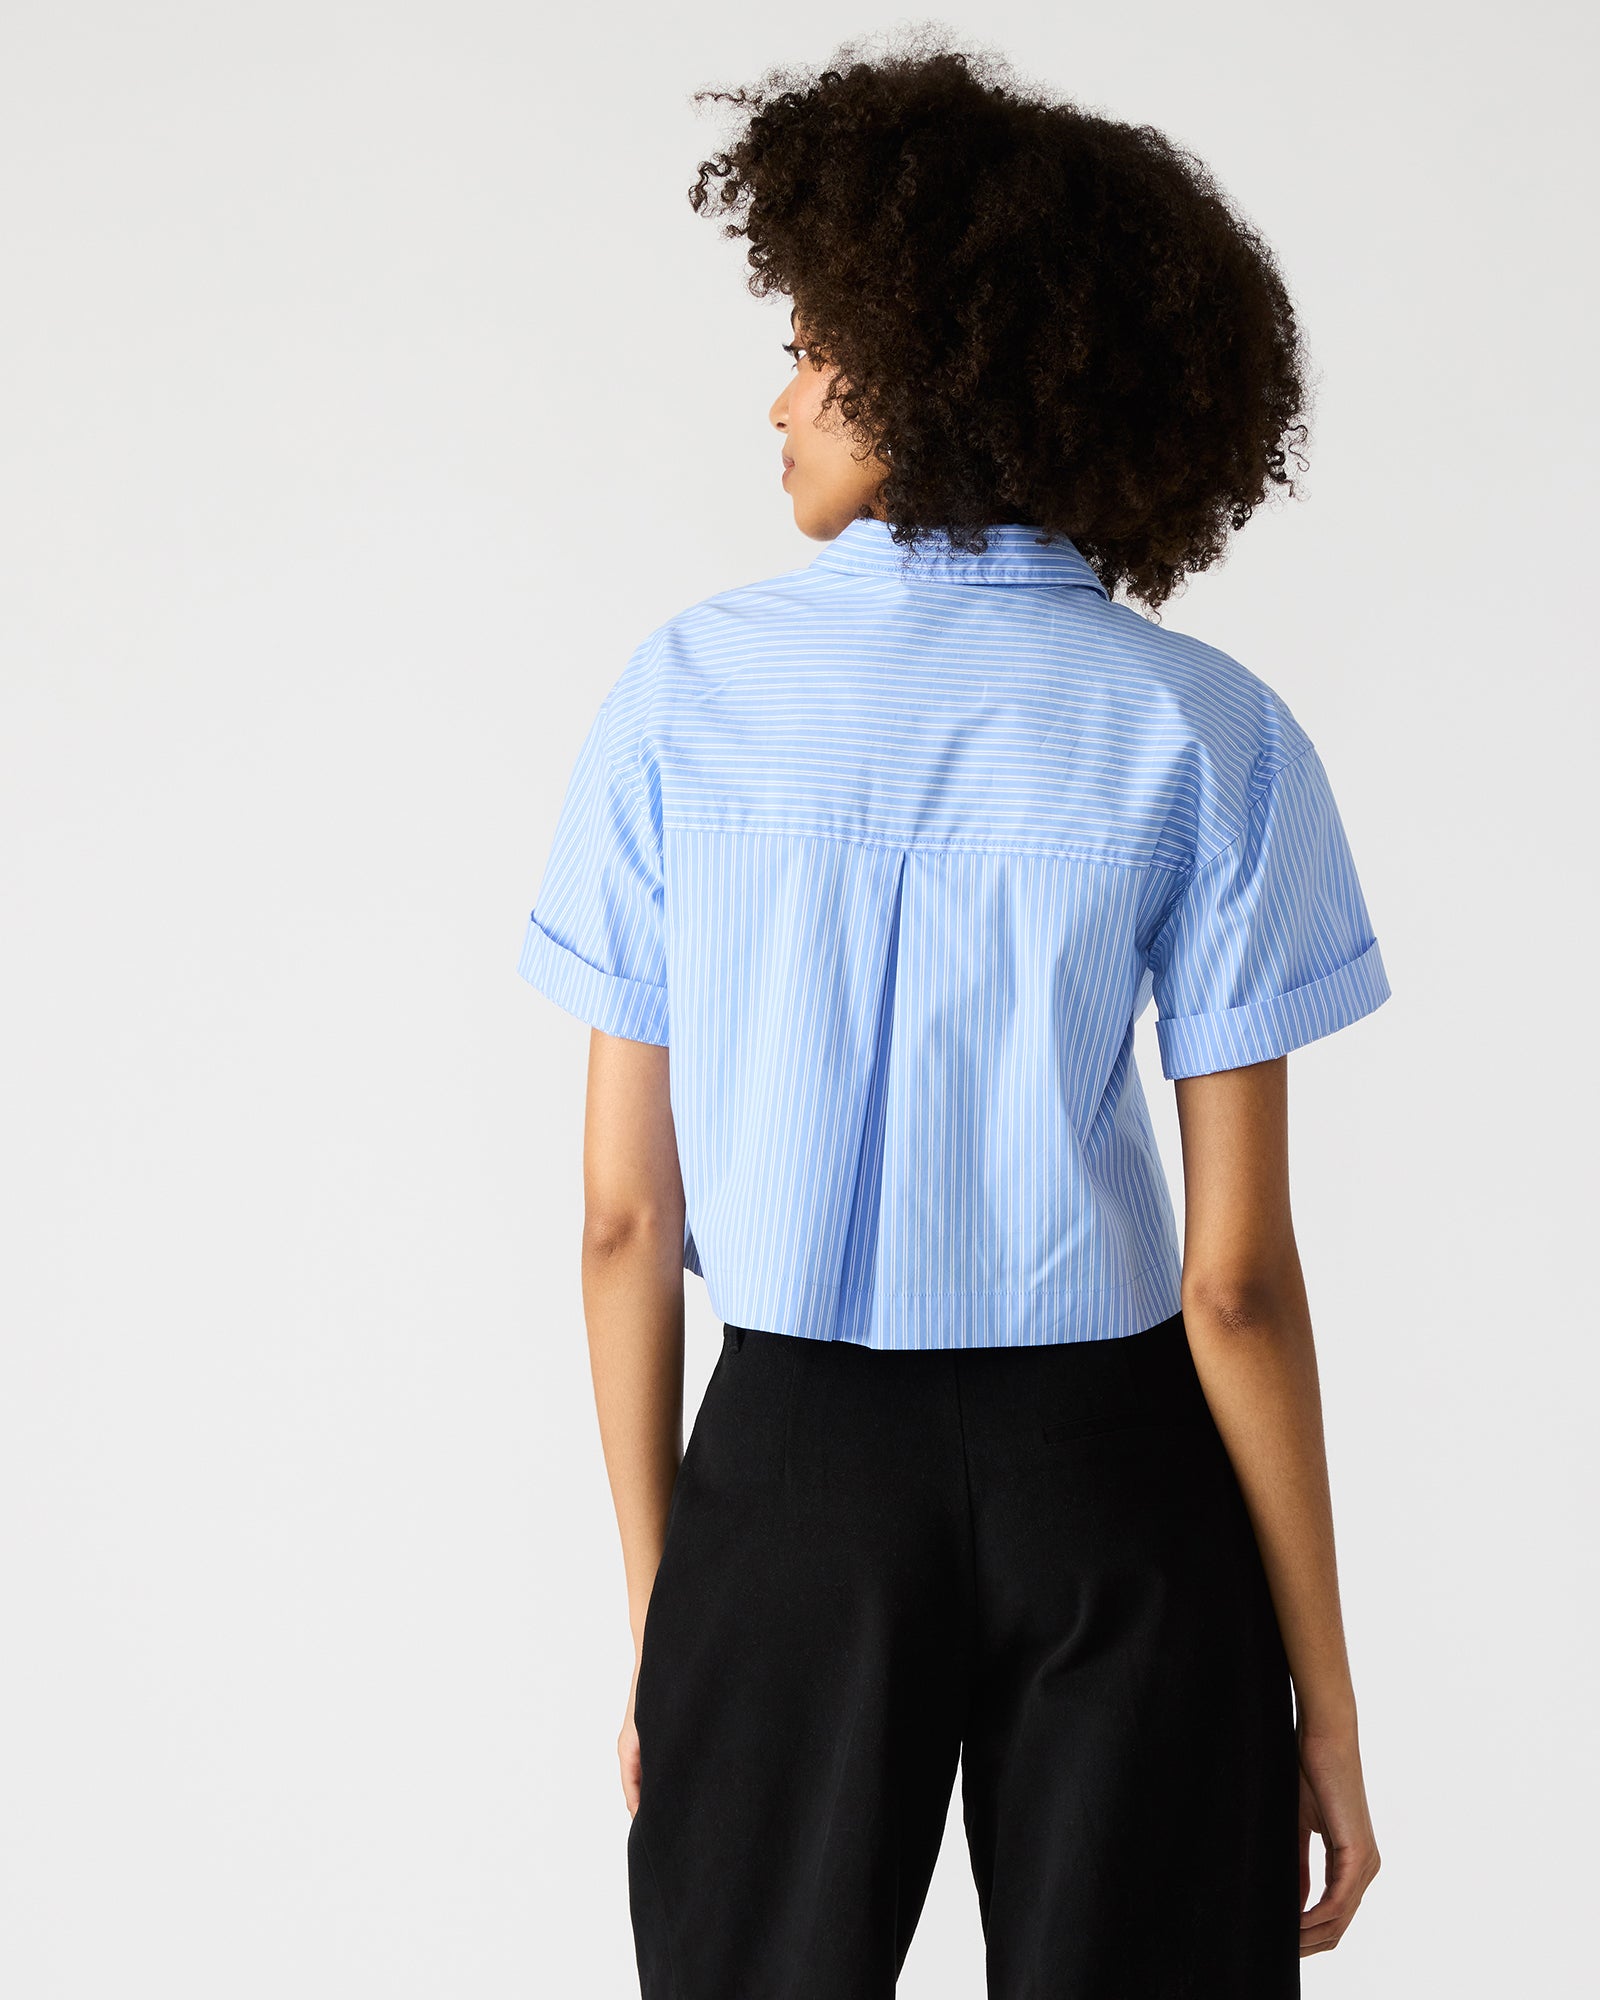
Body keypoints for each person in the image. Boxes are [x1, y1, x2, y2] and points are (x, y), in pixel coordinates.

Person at [517, 35, 1388, 2000]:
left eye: (815, 348)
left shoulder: (682, 697)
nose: (780, 396)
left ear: (931, 368)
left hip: (787, 1475)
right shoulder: (1206, 731)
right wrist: (1320, 1701)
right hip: (1112, 1481)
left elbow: (623, 1222)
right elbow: (1236, 1284)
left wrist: (677, 1606)